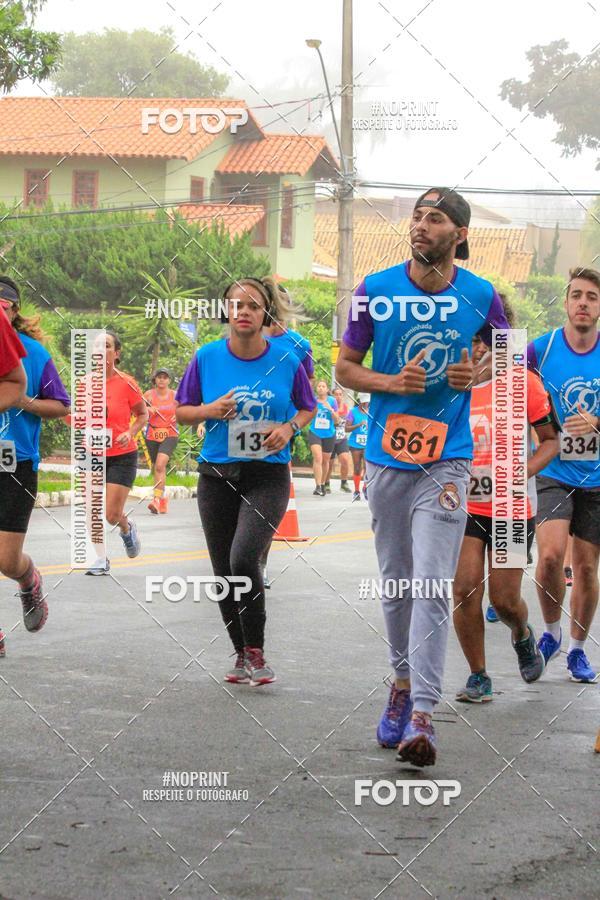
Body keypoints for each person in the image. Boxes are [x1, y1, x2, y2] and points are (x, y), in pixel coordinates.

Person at [336, 187, 510, 767]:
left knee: (434, 582)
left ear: (459, 234)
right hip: (388, 458)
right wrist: (391, 384)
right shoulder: (374, 290)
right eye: (417, 216)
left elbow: (506, 360)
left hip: (449, 459)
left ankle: (424, 718)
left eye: (435, 219)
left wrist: (481, 369)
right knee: (398, 582)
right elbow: (344, 367)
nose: (421, 225)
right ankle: (402, 682)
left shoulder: (482, 296)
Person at [176, 276, 315, 686]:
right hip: (217, 473)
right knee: (224, 572)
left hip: (267, 474)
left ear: (265, 313)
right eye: (236, 305)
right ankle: (239, 653)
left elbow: (308, 408)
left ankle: (256, 650)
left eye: (253, 305)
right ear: (227, 312)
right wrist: (208, 410)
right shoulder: (206, 357)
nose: (243, 312)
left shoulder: (287, 360)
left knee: (243, 558)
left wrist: (289, 429)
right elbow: (182, 411)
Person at [453, 298, 559, 702]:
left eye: (487, 338)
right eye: (473, 338)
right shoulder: (453, 385)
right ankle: (478, 675)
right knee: (463, 589)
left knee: (505, 599)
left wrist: (522, 472)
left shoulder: (523, 384)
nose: (479, 347)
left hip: (512, 506)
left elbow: (551, 442)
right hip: (464, 503)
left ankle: (522, 632)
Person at [528, 267, 600, 683]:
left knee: (588, 568)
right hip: (554, 468)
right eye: (576, 295)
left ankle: (577, 649)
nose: (583, 303)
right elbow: (508, 386)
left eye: (591, 296)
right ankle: (551, 632)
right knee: (552, 555)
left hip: (596, 475)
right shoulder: (542, 349)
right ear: (567, 302)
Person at [0, 277, 70, 656]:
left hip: (17, 464)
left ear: (14, 310)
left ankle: (28, 580)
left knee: (6, 560)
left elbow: (61, 406)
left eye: (4, 305)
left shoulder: (34, 353)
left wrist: (22, 400)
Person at [82, 331, 147, 575]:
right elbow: (78, 417)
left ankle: (126, 528)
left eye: (106, 345)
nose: (101, 349)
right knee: (90, 508)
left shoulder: (127, 383)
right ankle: (100, 559)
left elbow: (143, 415)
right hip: (92, 454)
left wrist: (130, 432)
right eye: (97, 345)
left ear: (116, 354)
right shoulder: (85, 383)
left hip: (122, 455)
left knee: (111, 514)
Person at [144, 367, 179, 514]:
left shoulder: (175, 395)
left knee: (160, 465)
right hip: (152, 434)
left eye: (165, 377)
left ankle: (156, 500)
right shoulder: (148, 395)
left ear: (169, 380)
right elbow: (136, 410)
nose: (162, 380)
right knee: (158, 469)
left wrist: (178, 415)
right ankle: (163, 499)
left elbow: (186, 409)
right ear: (155, 379)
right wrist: (147, 410)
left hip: (170, 434)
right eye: (159, 377)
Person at [308, 380, 340, 496]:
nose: (321, 388)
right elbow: (307, 415)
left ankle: (322, 484)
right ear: (317, 389)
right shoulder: (313, 401)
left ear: (327, 389)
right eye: (319, 386)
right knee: (318, 458)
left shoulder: (332, 401)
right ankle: (317, 486)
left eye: (323, 386)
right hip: (315, 432)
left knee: (326, 461)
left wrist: (330, 409)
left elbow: (337, 420)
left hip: (329, 434)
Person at [326, 386, 352, 493]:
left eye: (340, 394)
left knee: (345, 460)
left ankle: (344, 483)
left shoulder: (345, 407)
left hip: (341, 437)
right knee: (330, 462)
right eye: (336, 394)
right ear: (332, 396)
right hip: (330, 437)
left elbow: (345, 422)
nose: (338, 396)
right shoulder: (329, 406)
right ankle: (326, 483)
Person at [345, 393, 370, 500]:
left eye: (368, 401)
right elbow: (346, 428)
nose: (366, 403)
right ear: (360, 401)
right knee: (357, 467)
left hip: (367, 443)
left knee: (367, 467)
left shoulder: (372, 412)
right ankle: (356, 491)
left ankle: (365, 487)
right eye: (364, 401)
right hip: (355, 443)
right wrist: (358, 425)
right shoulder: (353, 412)